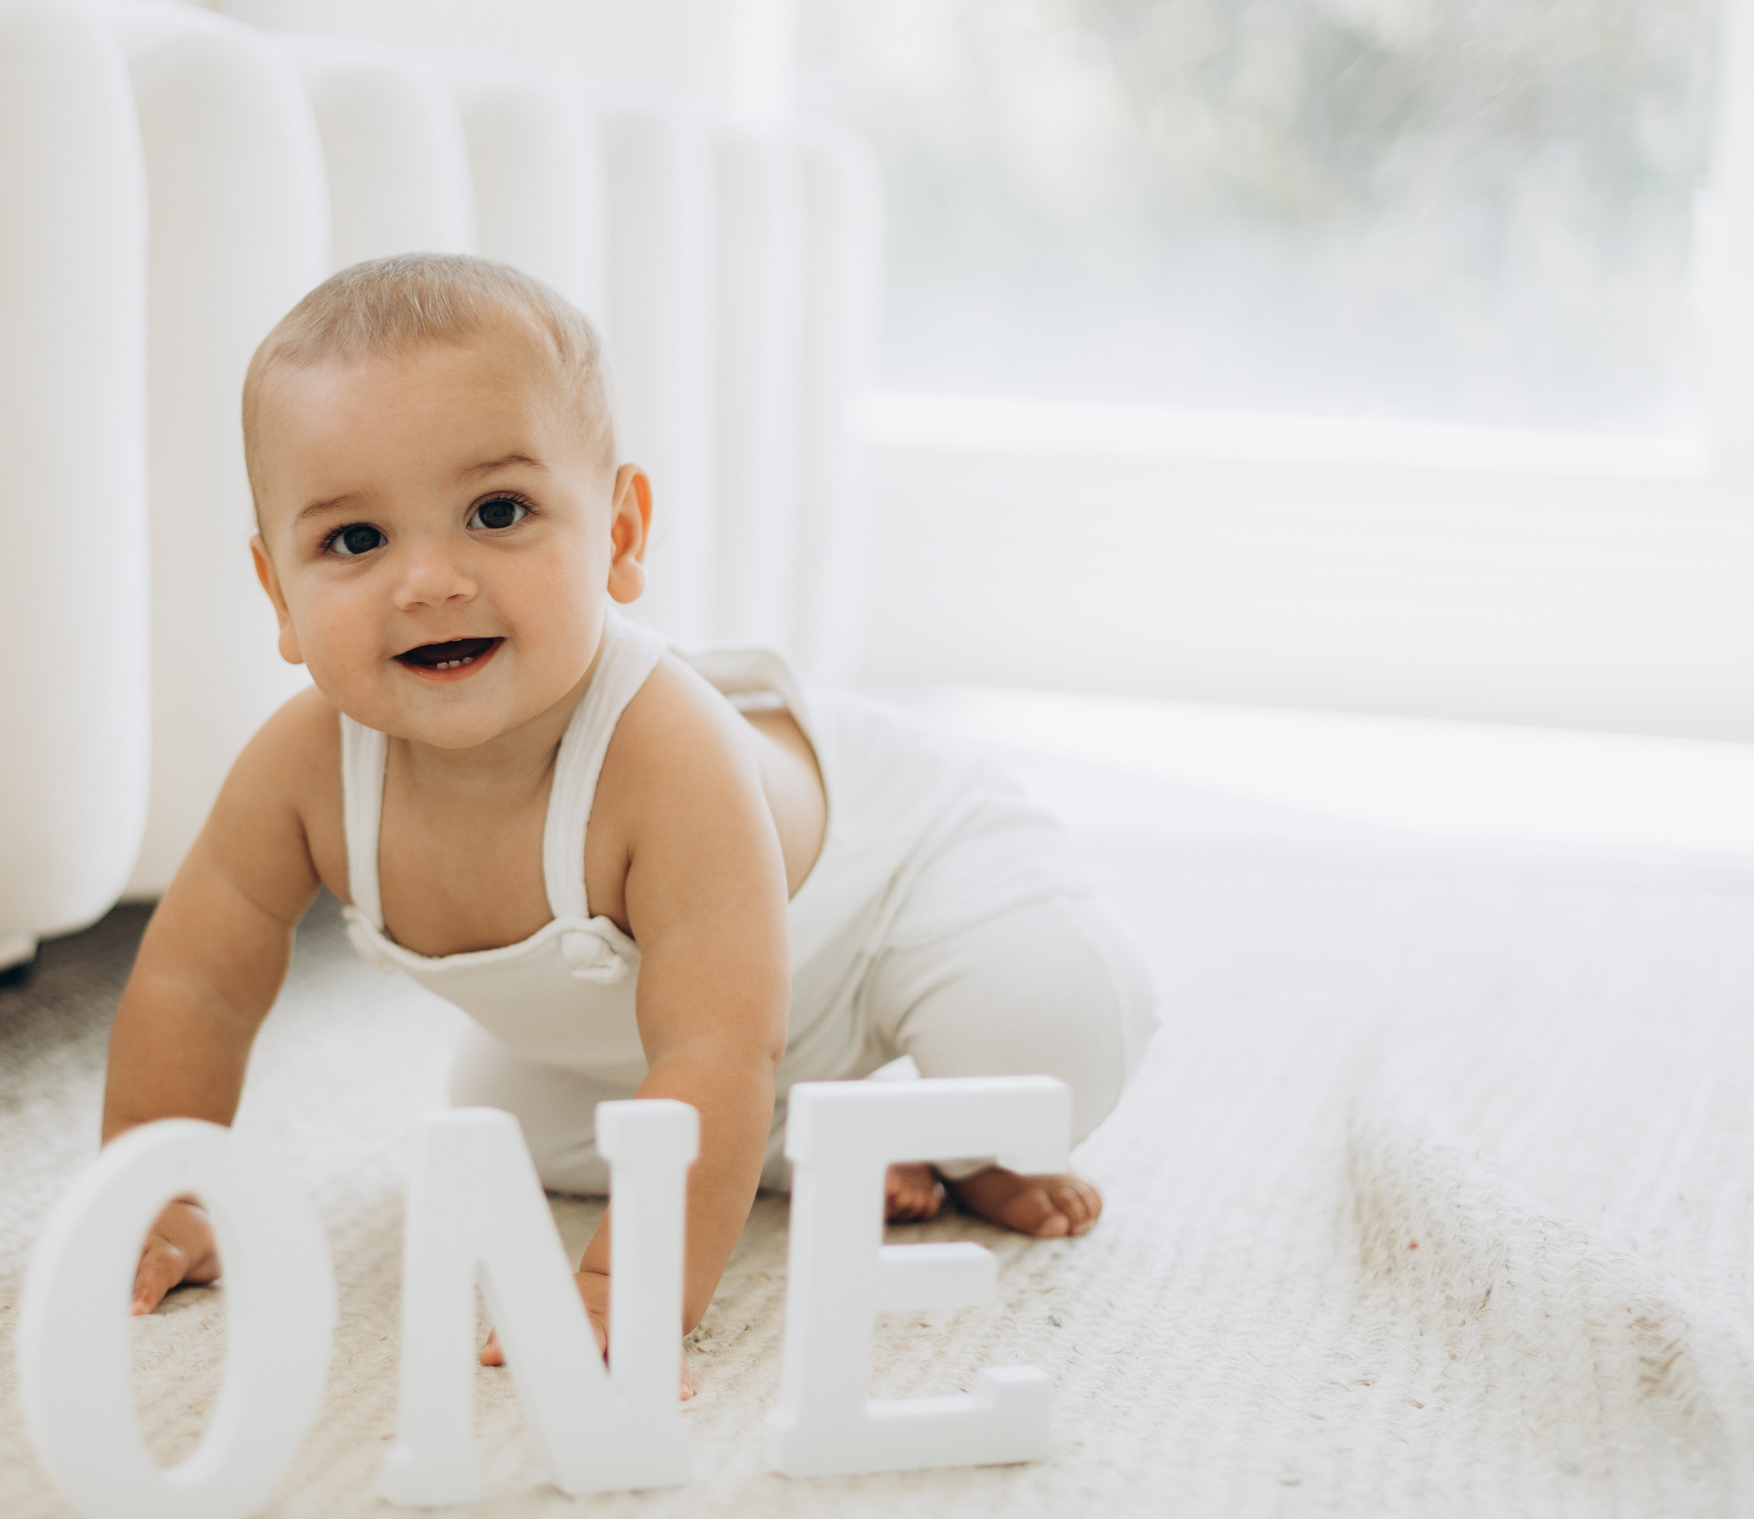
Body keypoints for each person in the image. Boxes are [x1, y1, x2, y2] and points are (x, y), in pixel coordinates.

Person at [100, 253, 1158, 1386]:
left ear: (617, 534)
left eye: (496, 513)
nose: (428, 582)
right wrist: (158, 1191)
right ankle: (827, 1138)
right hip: (678, 1023)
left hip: (893, 891)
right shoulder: (304, 769)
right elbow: (195, 986)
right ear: (278, 596)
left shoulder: (666, 754)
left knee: (1040, 1035)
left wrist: (626, 1284)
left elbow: (714, 1043)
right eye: (355, 541)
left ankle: (955, 1139)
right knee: (503, 1130)